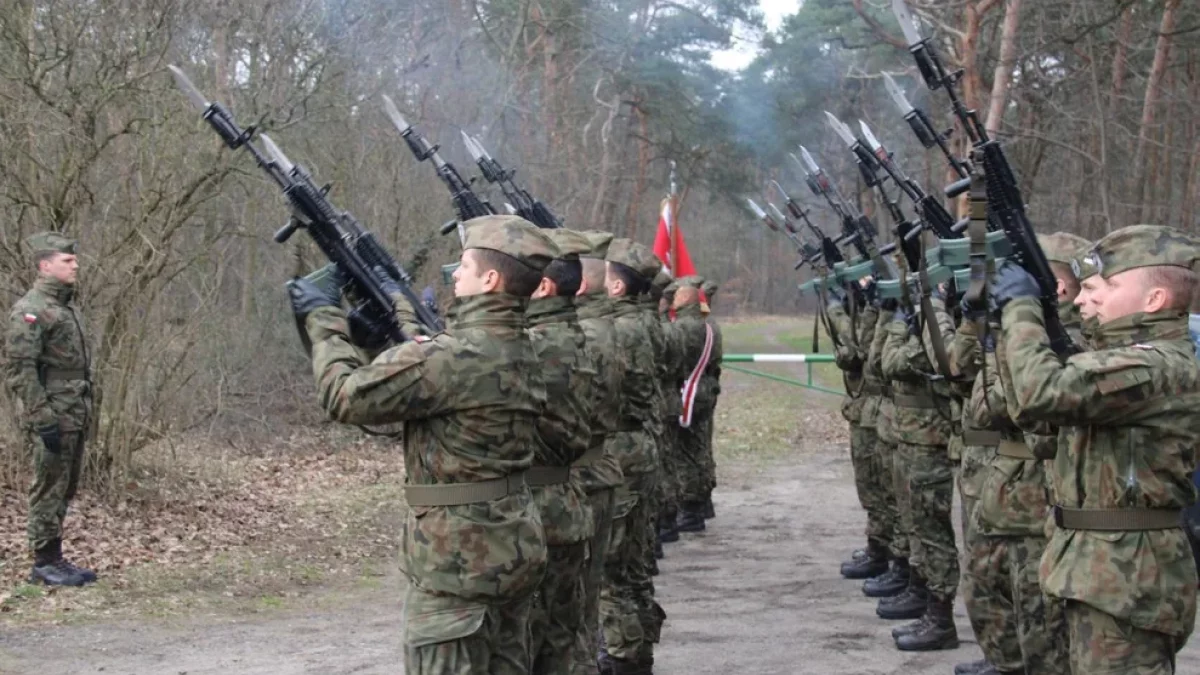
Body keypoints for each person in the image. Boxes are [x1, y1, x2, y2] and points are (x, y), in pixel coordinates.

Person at [291, 214, 553, 675]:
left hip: (456, 565)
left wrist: (323, 318)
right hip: (511, 550)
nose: (456, 274)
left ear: (490, 279)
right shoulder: (525, 347)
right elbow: (435, 389)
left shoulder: (451, 357)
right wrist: (390, 335)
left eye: (465, 266)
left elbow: (344, 396)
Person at [992, 224, 1200, 674]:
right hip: (1094, 569)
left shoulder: (1158, 365)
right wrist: (1019, 329)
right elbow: (1037, 423)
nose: (1085, 300)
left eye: (1102, 288)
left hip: (1128, 581)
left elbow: (1041, 392)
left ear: (1154, 300)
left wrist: (1022, 310)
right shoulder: (1119, 361)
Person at [952, 232, 1088, 675]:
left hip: (1041, 503)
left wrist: (1017, 327)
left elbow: (1016, 406)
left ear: (1061, 284)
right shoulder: (1021, 332)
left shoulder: (1079, 343)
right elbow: (973, 391)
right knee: (986, 597)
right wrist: (981, 323)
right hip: (1003, 492)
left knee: (1042, 628)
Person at [4, 231, 96, 587]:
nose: (76, 266)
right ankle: (43, 562)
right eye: (67, 261)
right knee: (48, 486)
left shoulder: (64, 307)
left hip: (74, 410)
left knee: (65, 485)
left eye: (74, 260)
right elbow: (19, 369)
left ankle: (55, 558)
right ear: (45, 266)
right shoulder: (32, 309)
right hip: (53, 412)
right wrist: (42, 417)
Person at [528, 228, 598, 675]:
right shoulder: (581, 335)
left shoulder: (534, 346)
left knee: (533, 642)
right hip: (568, 503)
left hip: (538, 508)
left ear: (545, 287)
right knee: (562, 638)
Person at [598, 238, 666, 675]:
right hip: (638, 447)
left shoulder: (619, 331)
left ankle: (623, 657)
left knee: (612, 569)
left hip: (621, 452)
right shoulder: (644, 324)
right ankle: (637, 649)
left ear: (619, 288)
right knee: (634, 564)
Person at [880, 296, 960, 651]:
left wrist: (904, 323)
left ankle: (941, 618)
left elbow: (889, 361)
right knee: (917, 523)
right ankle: (927, 600)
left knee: (931, 528)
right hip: (914, 435)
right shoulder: (933, 329)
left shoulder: (940, 332)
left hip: (931, 438)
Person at [570, 231, 627, 675]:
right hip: (602, 467)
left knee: (573, 603)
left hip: (582, 476)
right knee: (586, 598)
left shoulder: (583, 336)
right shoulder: (606, 328)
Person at [825, 284, 891, 579]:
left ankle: (883, 553)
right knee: (874, 487)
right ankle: (880, 548)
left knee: (876, 488)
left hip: (874, 409)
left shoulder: (886, 311)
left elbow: (854, 354)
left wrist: (837, 311)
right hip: (871, 408)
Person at [670, 278, 718, 533]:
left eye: (676, 295)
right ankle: (700, 502)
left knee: (686, 453)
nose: (672, 299)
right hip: (705, 389)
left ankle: (690, 508)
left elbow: (675, 361)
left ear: (687, 298)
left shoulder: (685, 328)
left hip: (689, 393)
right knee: (699, 448)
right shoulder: (708, 325)